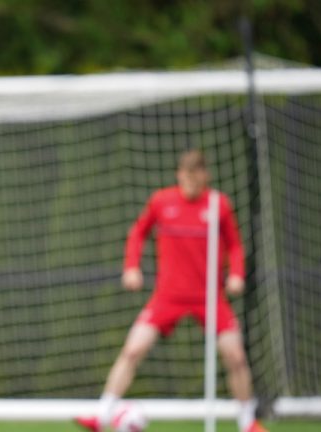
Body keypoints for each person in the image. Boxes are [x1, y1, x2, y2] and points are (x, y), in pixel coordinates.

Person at [75, 150, 267, 432]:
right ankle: (103, 414)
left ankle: (248, 421)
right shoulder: (161, 201)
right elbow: (138, 232)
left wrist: (236, 274)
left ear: (205, 175)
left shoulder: (218, 205)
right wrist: (132, 267)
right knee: (132, 350)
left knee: (235, 355)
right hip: (169, 295)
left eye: (196, 174)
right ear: (179, 175)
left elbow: (235, 245)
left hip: (209, 297)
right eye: (185, 175)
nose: (190, 180)